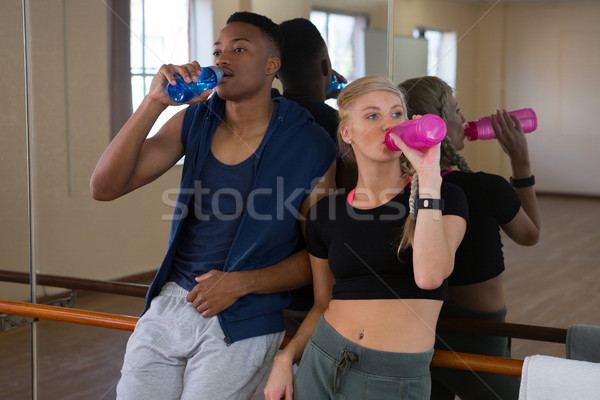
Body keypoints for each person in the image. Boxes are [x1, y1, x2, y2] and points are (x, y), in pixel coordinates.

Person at [90, 11, 336, 400]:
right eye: (218, 50)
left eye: (239, 49)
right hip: (171, 304)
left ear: (272, 65)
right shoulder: (196, 120)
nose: (222, 59)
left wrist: (241, 283)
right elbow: (104, 186)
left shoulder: (310, 143)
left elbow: (320, 257)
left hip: (245, 317)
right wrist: (154, 103)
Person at [264, 75, 468, 400]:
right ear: (347, 133)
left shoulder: (446, 197)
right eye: (373, 115)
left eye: (397, 114)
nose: (389, 124)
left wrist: (428, 174)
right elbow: (321, 305)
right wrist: (286, 358)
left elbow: (430, 276)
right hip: (322, 358)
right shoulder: (325, 214)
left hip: (393, 376)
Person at [399, 76, 541, 400]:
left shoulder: (397, 193)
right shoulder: (486, 187)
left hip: (419, 336)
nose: (464, 121)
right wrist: (521, 161)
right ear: (435, 124)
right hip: (480, 338)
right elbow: (530, 234)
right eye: (457, 111)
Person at [277, 17, 357, 193]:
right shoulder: (337, 125)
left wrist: (321, 98)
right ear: (326, 67)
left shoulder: (272, 112)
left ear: (276, 72)